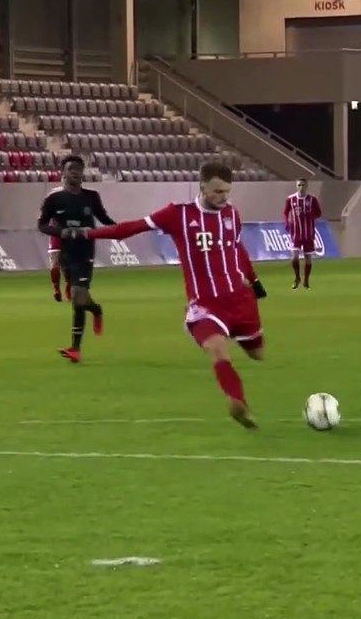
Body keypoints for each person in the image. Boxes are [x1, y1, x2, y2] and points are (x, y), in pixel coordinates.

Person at [67, 161, 268, 428]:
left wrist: (254, 281)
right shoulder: (178, 215)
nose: (223, 197)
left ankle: (236, 368)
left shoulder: (232, 214)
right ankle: (237, 402)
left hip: (240, 300)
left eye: (227, 191)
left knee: (258, 354)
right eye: (217, 191)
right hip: (206, 305)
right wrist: (88, 233)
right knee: (218, 351)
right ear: (202, 187)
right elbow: (131, 228)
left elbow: (237, 249)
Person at [37, 155, 116, 363]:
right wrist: (60, 232)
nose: (75, 172)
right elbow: (42, 225)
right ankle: (94, 312)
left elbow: (104, 218)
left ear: (83, 173)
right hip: (66, 252)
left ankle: (75, 347)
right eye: (71, 169)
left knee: (79, 295)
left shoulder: (91, 197)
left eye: (79, 169)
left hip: (85, 251)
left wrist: (121, 229)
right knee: (78, 300)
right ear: (63, 172)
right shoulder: (54, 199)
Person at [283, 178, 322, 290]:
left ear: (306, 186)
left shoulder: (312, 200)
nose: (301, 187)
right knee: (294, 257)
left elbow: (319, 213)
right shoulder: (290, 199)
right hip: (295, 233)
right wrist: (286, 223)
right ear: (296, 186)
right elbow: (285, 212)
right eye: (299, 185)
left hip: (308, 233)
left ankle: (306, 280)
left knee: (308, 258)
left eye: (303, 185)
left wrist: (311, 215)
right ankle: (297, 277)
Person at [41, 185, 70, 303]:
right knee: (55, 265)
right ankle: (56, 288)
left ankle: (68, 289)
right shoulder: (52, 201)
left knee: (70, 266)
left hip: (70, 236)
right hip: (56, 236)